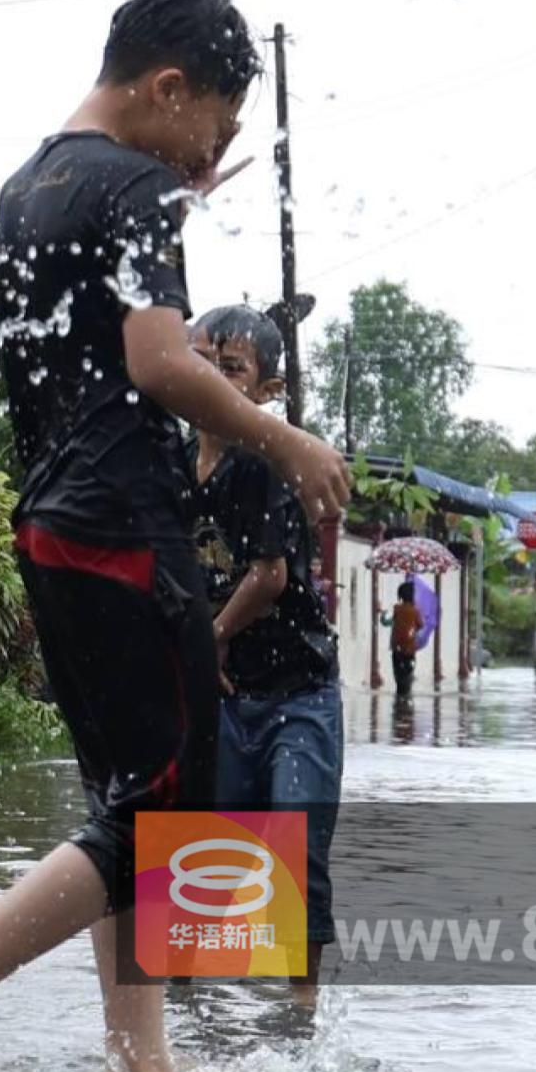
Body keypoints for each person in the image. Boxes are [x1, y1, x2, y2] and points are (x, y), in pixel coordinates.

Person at [0, 0, 352, 1072]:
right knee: (172, 809)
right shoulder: (136, 187)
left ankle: (143, 1063)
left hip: (52, 520)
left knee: (129, 800)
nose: (207, 157)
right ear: (168, 87)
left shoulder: (30, 180)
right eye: (215, 130)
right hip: (122, 527)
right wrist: (288, 442)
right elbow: (159, 362)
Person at [185, 304, 344, 1002]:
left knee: (293, 845)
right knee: (201, 853)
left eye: (231, 369)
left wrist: (208, 637)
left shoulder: (268, 463)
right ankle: (185, 1016)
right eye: (199, 362)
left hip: (297, 689)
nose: (211, 380)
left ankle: (300, 1014)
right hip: (221, 692)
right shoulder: (168, 465)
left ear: (268, 390)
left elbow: (270, 576)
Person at [389, 581, 422, 699]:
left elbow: (389, 621)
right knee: (408, 674)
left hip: (396, 648)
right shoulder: (415, 611)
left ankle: (400, 697)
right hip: (409, 649)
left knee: (398, 675)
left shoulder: (396, 609)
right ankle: (406, 699)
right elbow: (420, 625)